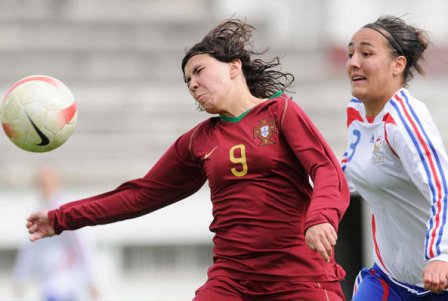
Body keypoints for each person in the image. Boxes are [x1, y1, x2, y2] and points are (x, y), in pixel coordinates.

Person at [26, 19, 350, 301]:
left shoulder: (280, 113)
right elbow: (140, 194)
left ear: (234, 67)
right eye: (187, 81)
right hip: (233, 281)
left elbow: (326, 170)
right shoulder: (197, 141)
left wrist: (321, 217)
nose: (193, 84)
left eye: (199, 71)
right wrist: (62, 218)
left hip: (298, 275)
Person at [342, 15, 448, 300]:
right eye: (351, 53)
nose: (353, 62)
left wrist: (441, 255)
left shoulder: (405, 120)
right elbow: (347, 173)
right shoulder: (356, 112)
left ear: (398, 64)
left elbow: (443, 189)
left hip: (440, 280)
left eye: (366, 53)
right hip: (390, 280)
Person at [12, 165, 99, 301]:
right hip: (46, 280)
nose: (45, 186)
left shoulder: (66, 210)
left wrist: (91, 279)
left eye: (48, 182)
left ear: (57, 182)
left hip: (67, 280)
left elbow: (81, 245)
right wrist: (20, 277)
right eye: (41, 183)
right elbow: (28, 247)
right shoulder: (36, 209)